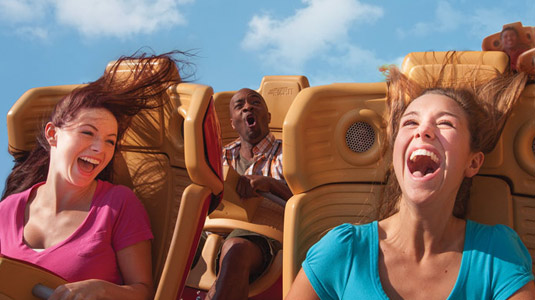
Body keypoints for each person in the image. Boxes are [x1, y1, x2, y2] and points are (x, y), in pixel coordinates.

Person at [286, 54, 535, 299]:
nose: (423, 131)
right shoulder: (343, 250)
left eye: (446, 123)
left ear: (473, 162)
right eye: (410, 123)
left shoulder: (498, 252)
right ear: (395, 155)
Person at [0, 52, 186, 299]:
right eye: (88, 133)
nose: (100, 149)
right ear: (52, 134)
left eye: (110, 141)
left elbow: (143, 292)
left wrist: (101, 289)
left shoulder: (118, 205)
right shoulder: (7, 209)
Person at [206, 88, 292, 300]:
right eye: (239, 106)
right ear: (233, 123)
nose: (248, 107)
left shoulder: (289, 152)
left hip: (265, 236)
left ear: (268, 116)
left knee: (236, 249)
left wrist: (270, 184)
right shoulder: (220, 156)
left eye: (255, 102)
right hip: (215, 233)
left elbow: (308, 201)